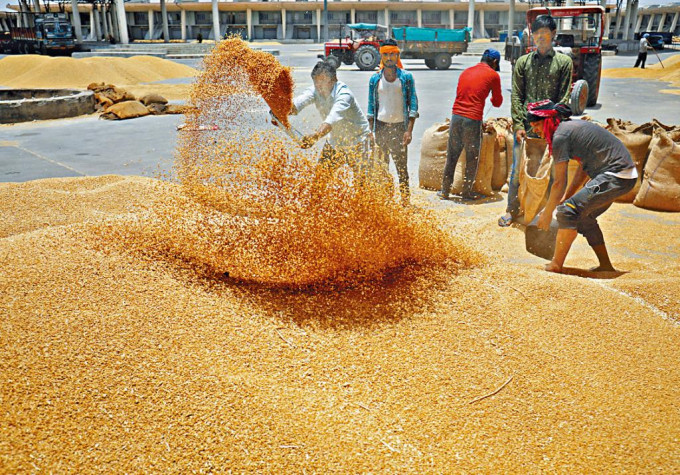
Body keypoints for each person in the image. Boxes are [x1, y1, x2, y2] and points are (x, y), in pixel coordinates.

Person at [528, 100, 637, 274]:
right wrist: (567, 197)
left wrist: (548, 212)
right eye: (532, 126)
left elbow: (558, 182)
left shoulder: (560, 136)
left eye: (537, 125)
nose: (535, 130)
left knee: (568, 211)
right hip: (620, 176)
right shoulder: (568, 129)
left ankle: (556, 264)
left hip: (616, 175)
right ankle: (606, 266)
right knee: (583, 217)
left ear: (548, 120)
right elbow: (582, 169)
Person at [499, 15, 573, 226]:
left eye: (545, 33)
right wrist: (520, 125)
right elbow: (517, 96)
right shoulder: (523, 62)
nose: (541, 37)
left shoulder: (563, 63)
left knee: (550, 175)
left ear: (553, 35)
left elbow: (563, 98)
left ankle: (543, 215)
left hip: (552, 131)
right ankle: (511, 211)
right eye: (537, 33)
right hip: (526, 130)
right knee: (516, 173)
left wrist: (550, 126)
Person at [437, 48, 503, 200]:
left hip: (456, 117)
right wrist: (492, 98)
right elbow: (498, 102)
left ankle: (444, 191)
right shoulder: (493, 75)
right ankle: (466, 193)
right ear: (494, 62)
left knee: (452, 156)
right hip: (472, 120)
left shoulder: (466, 71)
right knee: (472, 157)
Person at [289, 61, 372, 173]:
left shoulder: (344, 95)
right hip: (335, 141)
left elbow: (330, 121)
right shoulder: (314, 90)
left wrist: (314, 137)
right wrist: (281, 110)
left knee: (362, 183)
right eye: (316, 81)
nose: (319, 86)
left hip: (357, 141)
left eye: (323, 81)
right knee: (320, 178)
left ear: (334, 80)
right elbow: (297, 104)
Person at [366, 39, 419, 203]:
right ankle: (385, 201)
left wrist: (409, 131)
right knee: (382, 168)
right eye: (386, 54)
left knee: (401, 168)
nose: (389, 58)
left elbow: (413, 105)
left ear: (397, 55)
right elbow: (371, 107)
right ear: (381, 56)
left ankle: (405, 201)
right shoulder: (375, 80)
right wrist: (371, 132)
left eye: (392, 54)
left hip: (399, 129)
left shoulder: (406, 78)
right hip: (381, 128)